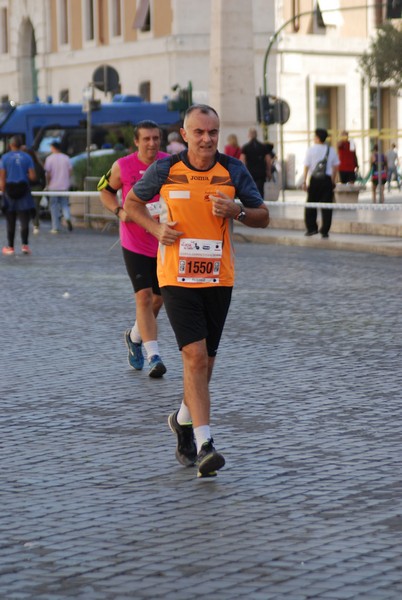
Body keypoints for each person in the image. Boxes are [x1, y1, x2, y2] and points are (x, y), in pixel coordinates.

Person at [123, 104, 269, 478]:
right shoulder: (165, 169)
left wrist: (236, 210)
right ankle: (206, 444)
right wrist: (157, 232)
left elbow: (263, 215)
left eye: (213, 132)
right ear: (185, 134)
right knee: (194, 357)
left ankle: (182, 420)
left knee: (206, 366)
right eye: (199, 132)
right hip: (176, 276)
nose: (207, 139)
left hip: (219, 277)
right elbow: (132, 204)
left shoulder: (233, 170)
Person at [98, 120, 169, 378]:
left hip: (163, 241)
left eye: (156, 138)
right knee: (144, 297)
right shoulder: (123, 166)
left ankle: (134, 336)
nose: (152, 143)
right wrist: (119, 211)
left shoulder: (169, 163)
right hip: (135, 242)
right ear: (136, 142)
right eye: (146, 139)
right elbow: (104, 191)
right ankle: (154, 356)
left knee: (160, 300)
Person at [0, 135, 36, 255]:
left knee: (10, 220)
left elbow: (2, 177)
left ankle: (10, 247)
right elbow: (32, 176)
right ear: (21, 145)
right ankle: (25, 245)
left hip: (10, 191)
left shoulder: (4, 158)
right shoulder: (27, 157)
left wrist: (3, 190)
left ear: (10, 145)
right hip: (23, 190)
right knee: (24, 219)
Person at [302, 128, 339, 238]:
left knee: (310, 205)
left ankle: (311, 228)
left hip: (314, 180)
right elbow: (336, 166)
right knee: (327, 206)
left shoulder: (311, 150)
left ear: (317, 138)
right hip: (326, 180)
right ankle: (325, 230)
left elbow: (306, 166)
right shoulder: (331, 150)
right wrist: (333, 180)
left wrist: (304, 181)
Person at [44, 141, 73, 233]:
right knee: (65, 204)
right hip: (64, 185)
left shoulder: (49, 159)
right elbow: (70, 171)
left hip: (53, 185)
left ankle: (55, 227)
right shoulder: (66, 158)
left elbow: (47, 173)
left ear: (53, 148)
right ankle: (67, 217)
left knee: (53, 206)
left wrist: (48, 183)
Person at [240, 127, 272, 197]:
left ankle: (253, 205)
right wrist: (269, 171)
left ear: (249, 135)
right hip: (261, 172)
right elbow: (268, 159)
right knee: (260, 190)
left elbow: (242, 160)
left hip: (250, 172)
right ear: (256, 135)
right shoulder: (263, 146)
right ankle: (260, 204)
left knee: (250, 190)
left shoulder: (245, 147)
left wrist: (243, 172)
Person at [22, 146, 46, 234]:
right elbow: (43, 178)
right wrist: (42, 187)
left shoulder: (26, 165)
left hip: (27, 188)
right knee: (36, 207)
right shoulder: (39, 165)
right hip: (38, 188)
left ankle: (25, 223)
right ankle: (36, 225)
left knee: (25, 207)